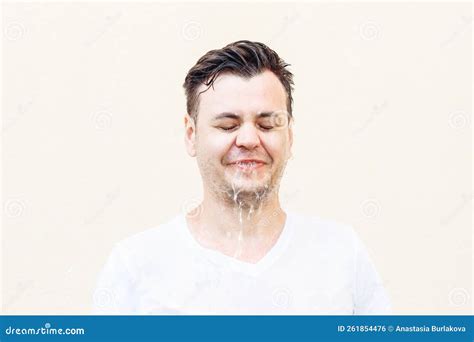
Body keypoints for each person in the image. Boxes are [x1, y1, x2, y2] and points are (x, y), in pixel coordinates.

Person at [93, 40, 392, 315]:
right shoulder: (135, 266)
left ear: (289, 134)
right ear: (191, 134)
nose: (248, 139)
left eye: (267, 124)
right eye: (227, 125)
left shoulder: (342, 254)